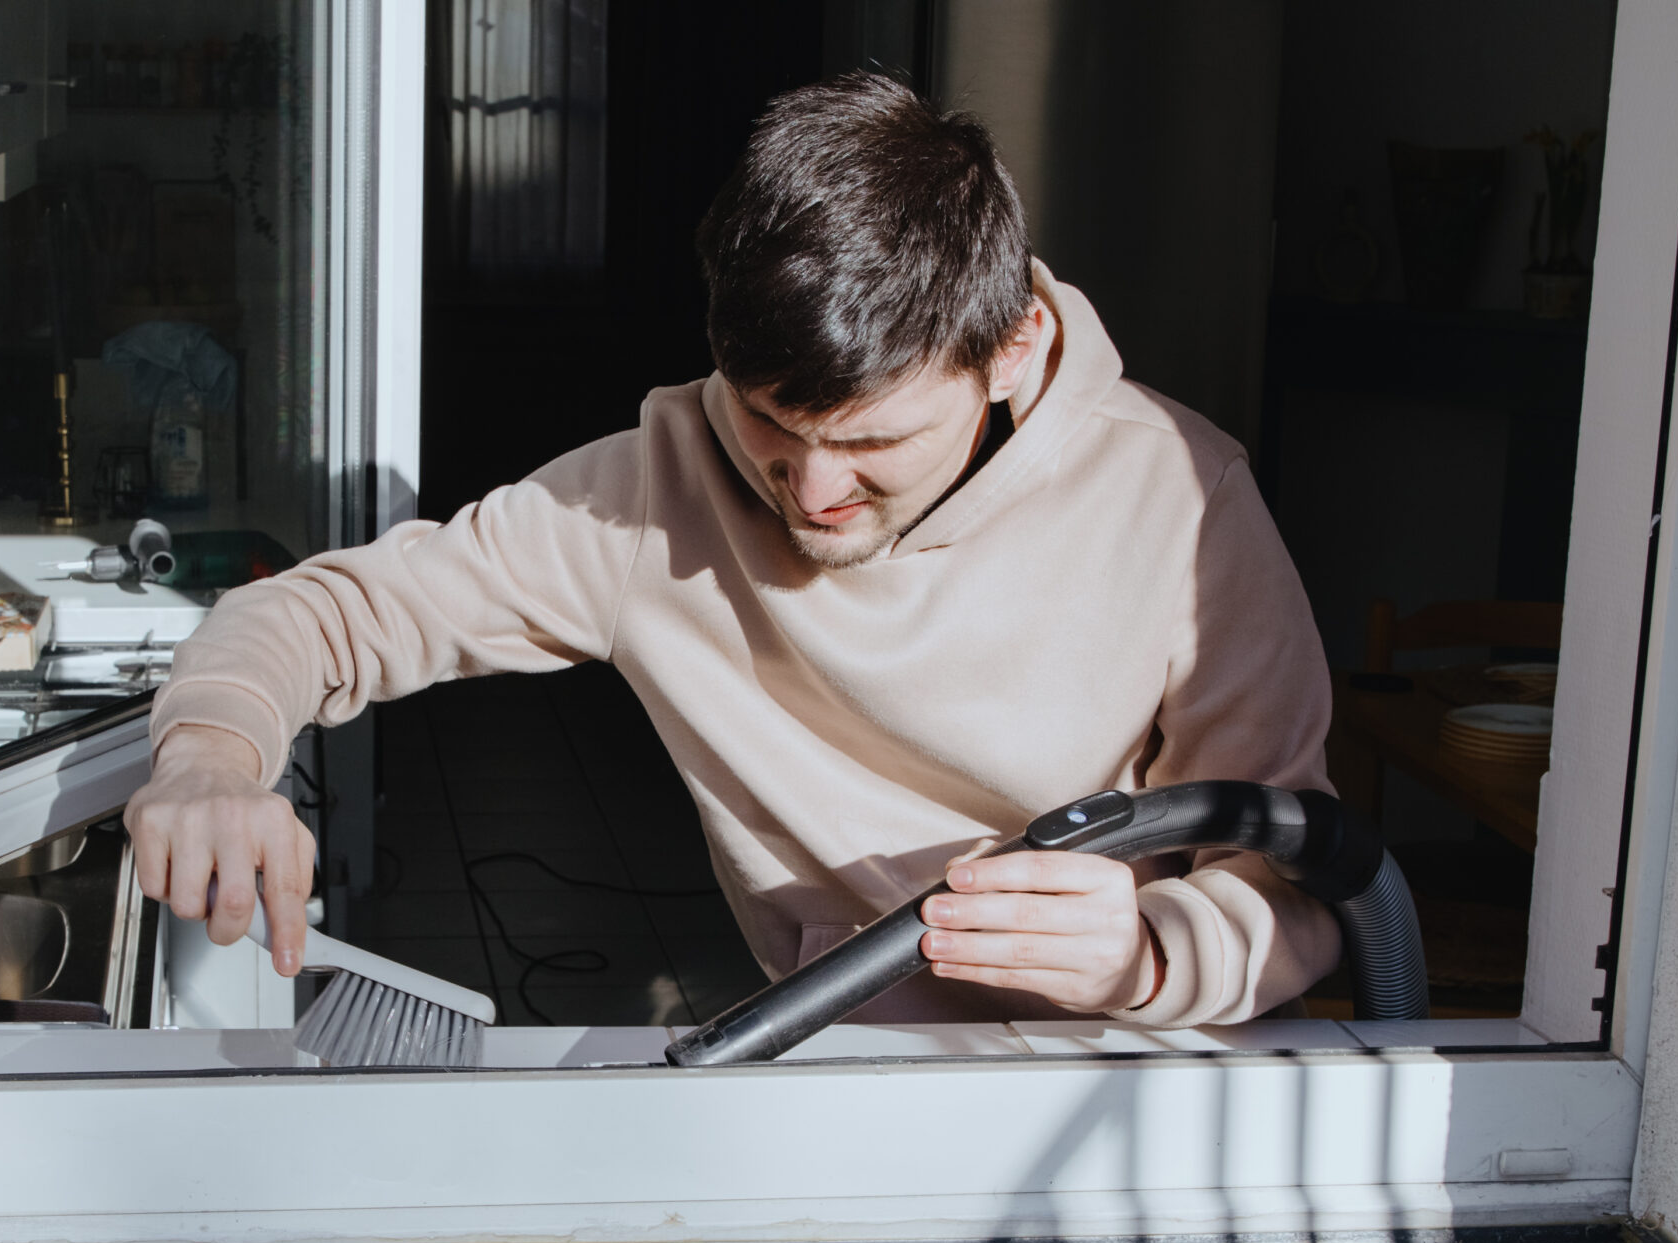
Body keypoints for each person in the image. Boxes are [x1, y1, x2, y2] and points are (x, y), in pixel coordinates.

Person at [125, 73, 1338, 1028]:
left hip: (1130, 1077)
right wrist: (210, 757)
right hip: (844, 1061)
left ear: (1010, 349)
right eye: (769, 419)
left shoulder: (1178, 495)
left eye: (872, 439)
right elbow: (324, 614)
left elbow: (1305, 880)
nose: (810, 490)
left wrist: (1148, 953)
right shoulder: (653, 488)